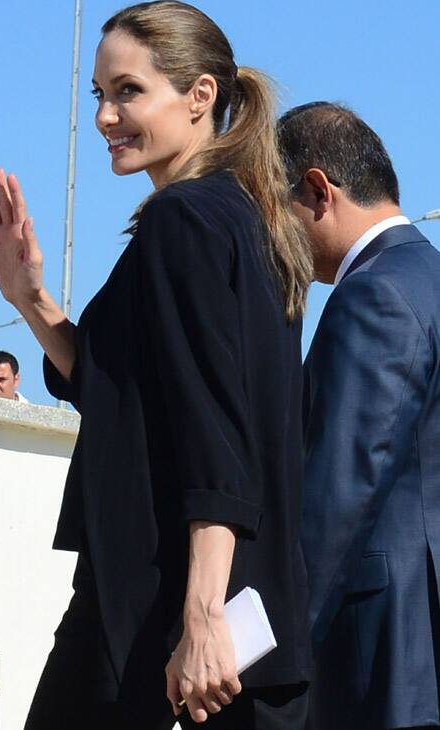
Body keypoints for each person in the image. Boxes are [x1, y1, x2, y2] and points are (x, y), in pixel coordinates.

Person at [0, 2, 312, 727]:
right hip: (231, 626)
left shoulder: (182, 221)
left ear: (200, 97)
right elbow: (114, 387)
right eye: (100, 94)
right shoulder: (244, 217)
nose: (104, 116)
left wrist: (200, 620)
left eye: (128, 91)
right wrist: (29, 298)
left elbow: (215, 437)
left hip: (167, 627)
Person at [278, 102, 440, 730]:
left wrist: (272, 651)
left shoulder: (373, 292)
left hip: (392, 655)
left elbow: (340, 492)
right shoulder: (426, 278)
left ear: (318, 190)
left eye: (278, 211)